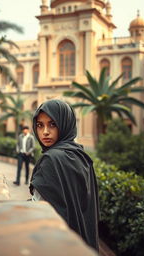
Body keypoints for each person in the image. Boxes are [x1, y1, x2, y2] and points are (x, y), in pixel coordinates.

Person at [29, 99, 100, 252]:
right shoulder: (81, 156)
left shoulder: (50, 160)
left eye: (52, 124)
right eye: (40, 125)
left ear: (65, 124)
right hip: (83, 243)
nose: (45, 132)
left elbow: (38, 210)